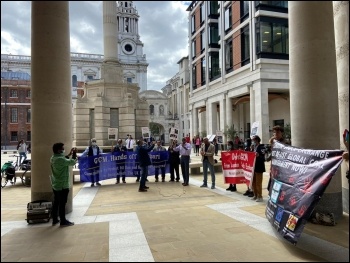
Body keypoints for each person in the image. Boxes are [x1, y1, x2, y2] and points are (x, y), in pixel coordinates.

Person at [50, 142, 76, 227]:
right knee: (62, 203)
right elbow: (72, 162)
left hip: (56, 184)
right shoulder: (61, 159)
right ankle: (63, 220)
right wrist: (74, 155)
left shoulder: (53, 158)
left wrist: (69, 154)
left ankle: (55, 219)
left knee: (56, 202)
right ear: (58, 150)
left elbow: (64, 160)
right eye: (62, 149)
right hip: (63, 185)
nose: (63, 150)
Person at [267, 125, 285, 191]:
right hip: (273, 168)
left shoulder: (285, 143)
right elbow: (269, 157)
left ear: (281, 133)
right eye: (274, 132)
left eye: (277, 132)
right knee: (270, 187)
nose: (275, 134)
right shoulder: (273, 143)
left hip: (281, 169)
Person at [250, 135, 266, 202]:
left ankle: (260, 196)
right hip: (253, 167)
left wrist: (258, 156)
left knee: (258, 183)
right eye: (252, 140)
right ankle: (255, 194)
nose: (253, 141)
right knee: (253, 182)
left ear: (257, 140)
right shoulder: (254, 147)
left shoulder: (261, 147)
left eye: (254, 140)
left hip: (259, 167)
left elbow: (263, 158)